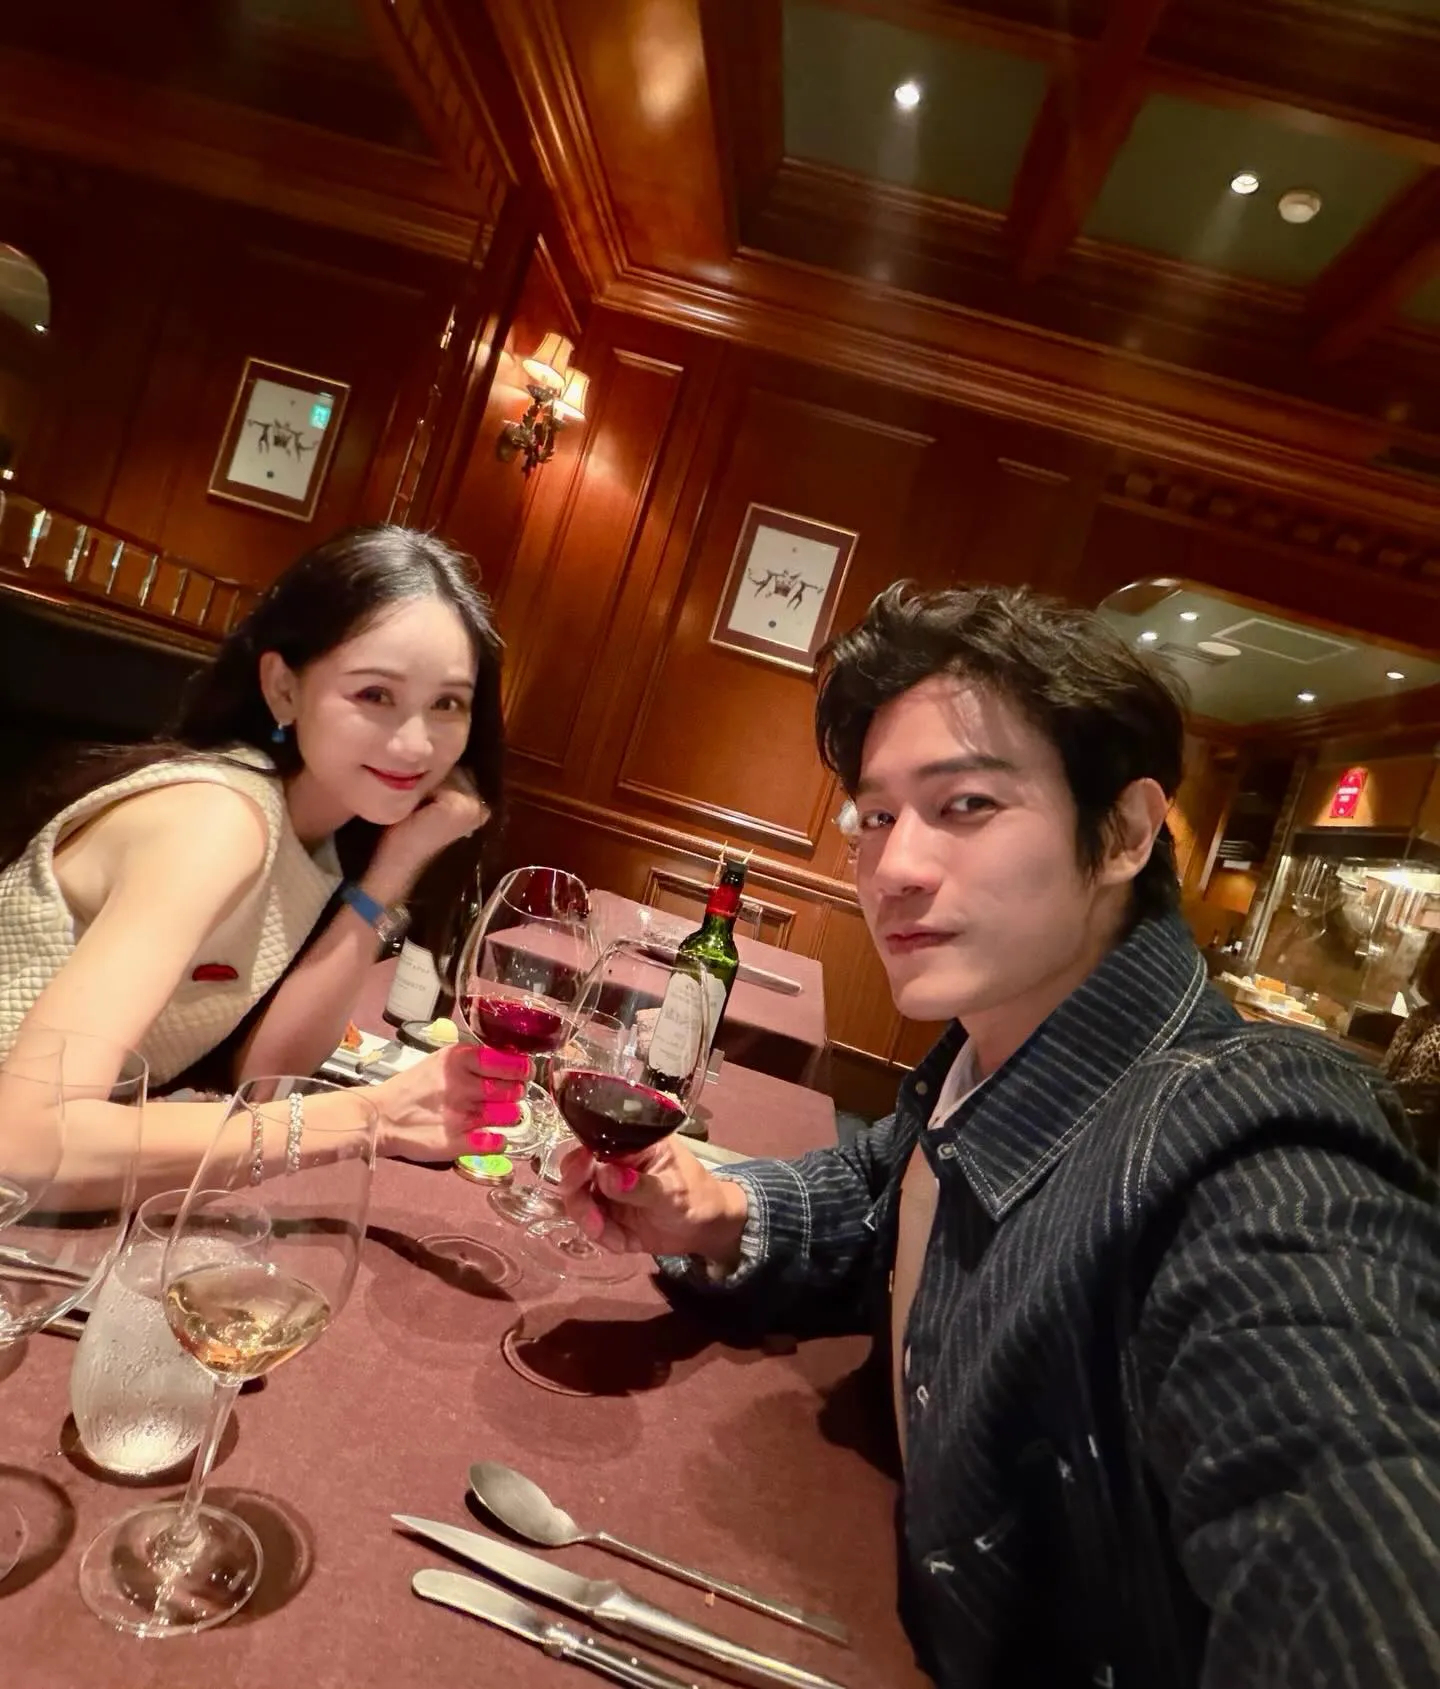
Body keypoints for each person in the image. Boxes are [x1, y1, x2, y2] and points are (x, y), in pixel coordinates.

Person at [560, 584, 1440, 1689]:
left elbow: (1362, 1539)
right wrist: (721, 1210)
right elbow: (886, 1188)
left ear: (1125, 834)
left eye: (966, 803)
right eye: (877, 818)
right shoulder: (993, 1046)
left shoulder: (1251, 1147)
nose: (896, 867)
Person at [0, 526, 526, 1183]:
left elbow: (270, 1078)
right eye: (375, 694)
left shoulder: (319, 836)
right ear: (283, 688)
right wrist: (371, 1116)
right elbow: (23, 1141)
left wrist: (395, 868)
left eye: (447, 703)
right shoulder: (217, 821)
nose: (417, 745)